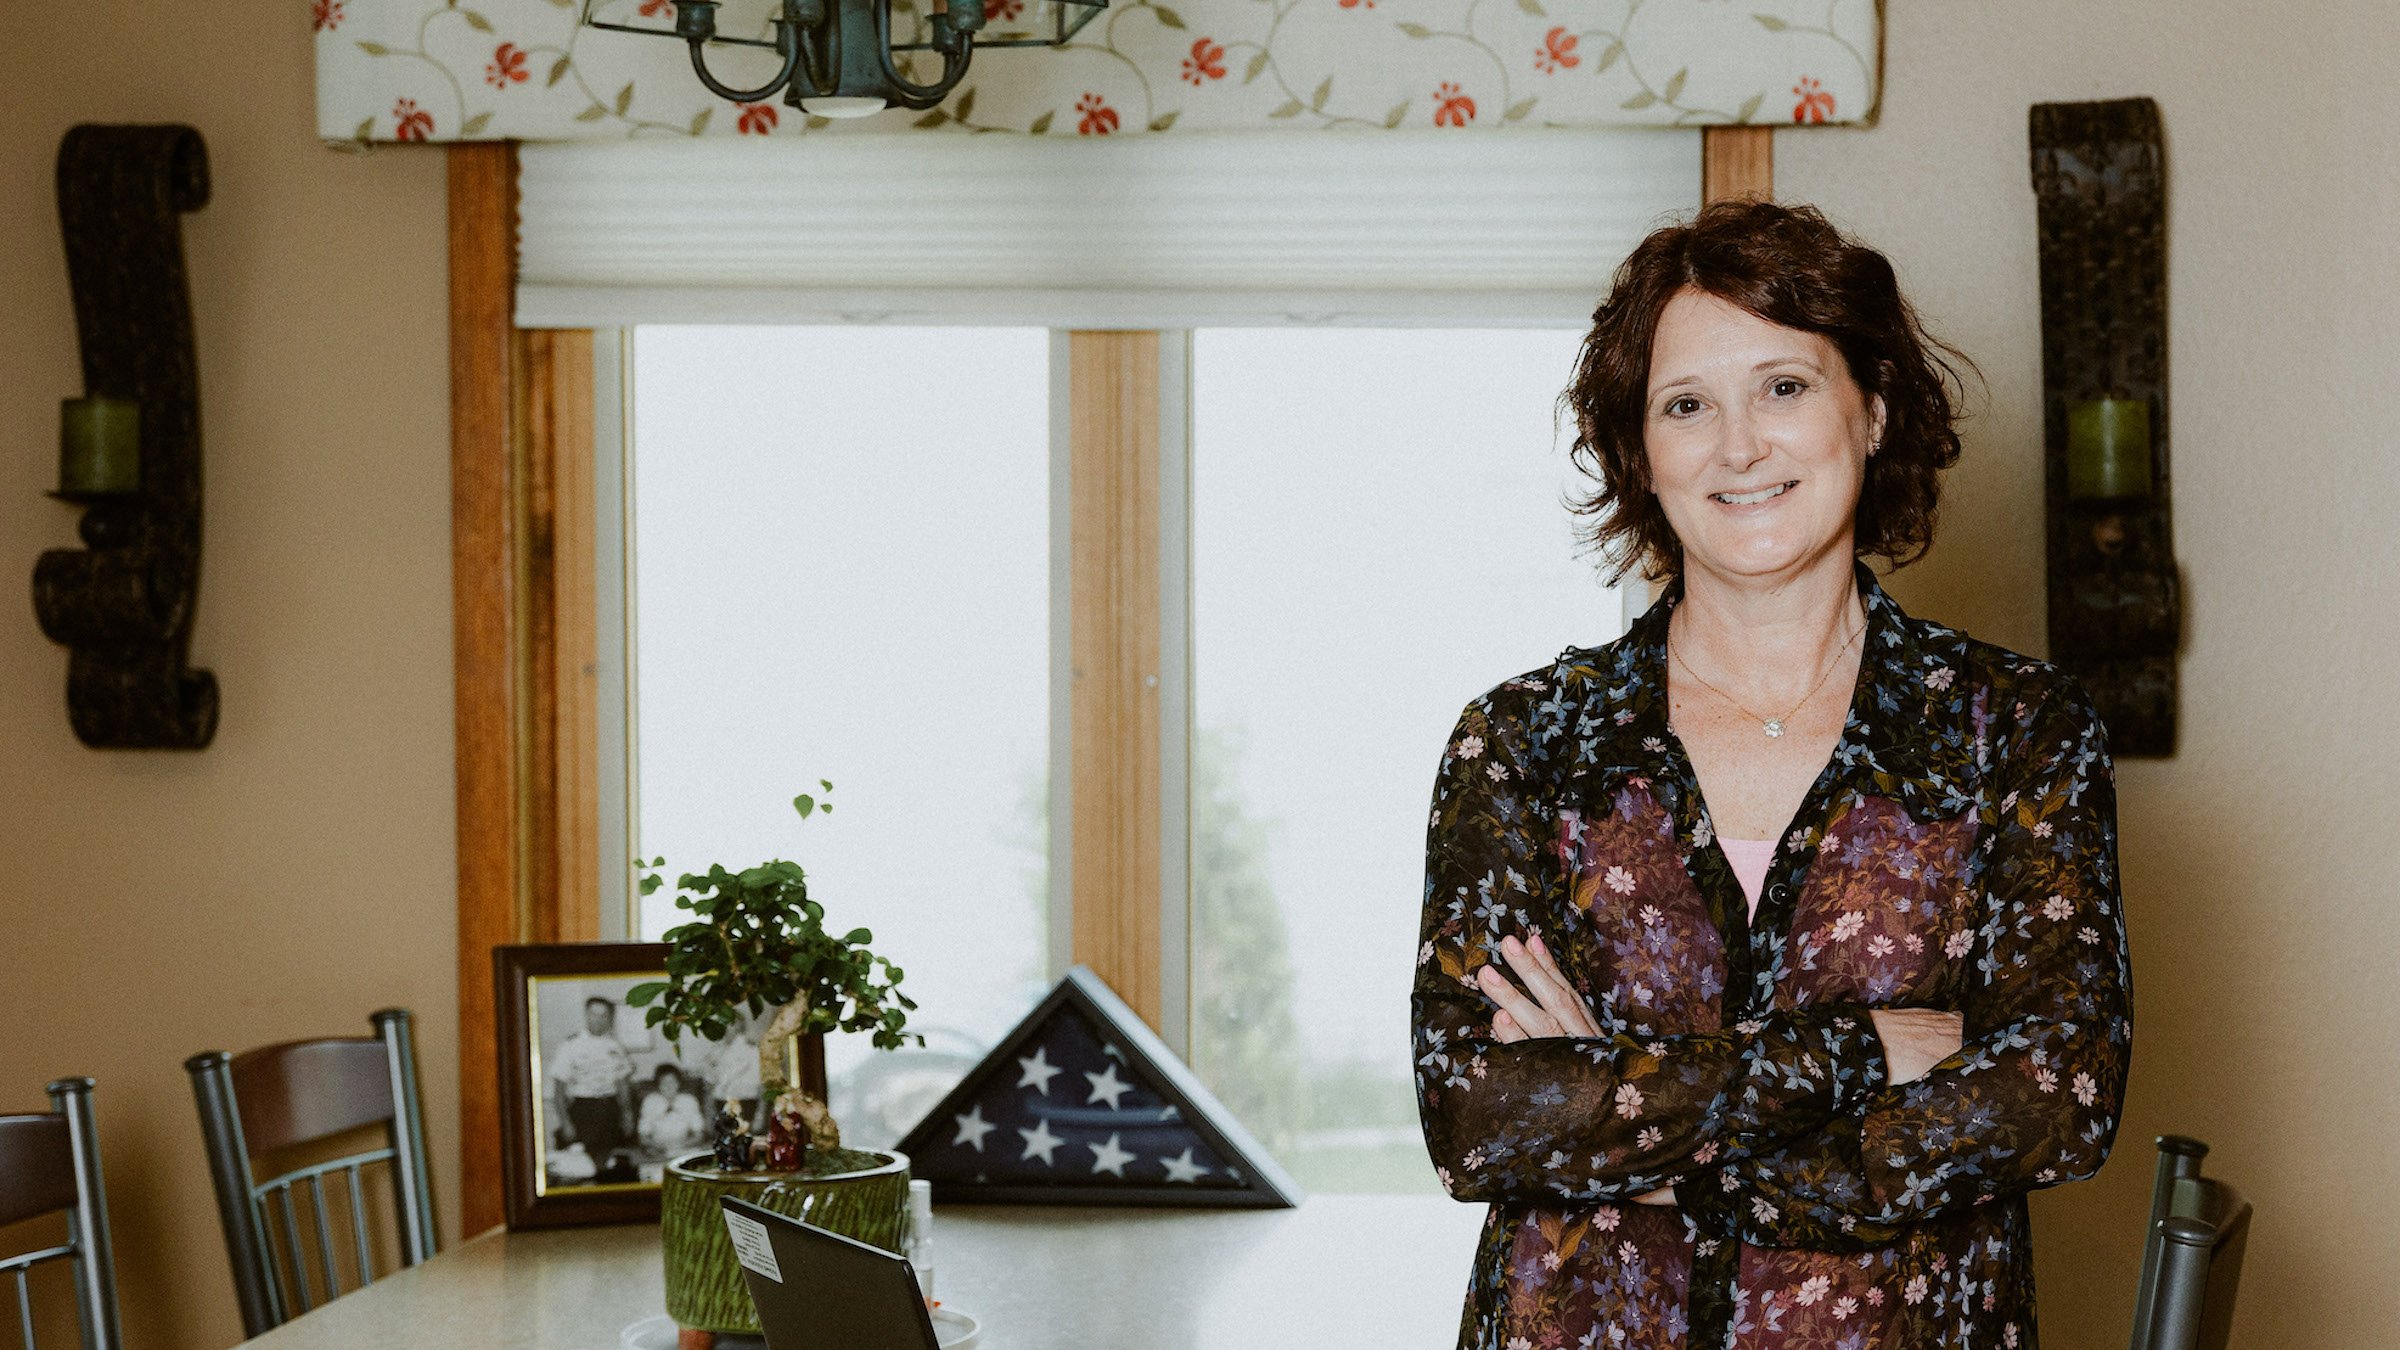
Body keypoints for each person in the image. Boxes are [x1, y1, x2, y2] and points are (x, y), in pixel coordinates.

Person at [1411, 200, 2130, 1350]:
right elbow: (1480, 1118)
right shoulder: (1526, 744)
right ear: (1642, 453)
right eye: (1686, 405)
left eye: (1784, 387)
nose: (1738, 445)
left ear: (1875, 407)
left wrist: (1629, 1128)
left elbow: (2054, 1101)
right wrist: (1865, 1052)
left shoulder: (2017, 734)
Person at [549, 995, 636, 1180]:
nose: (599, 1019)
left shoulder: (615, 1045)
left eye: (604, 1015)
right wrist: (565, 1123)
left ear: (609, 1018)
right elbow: (558, 1092)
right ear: (586, 1015)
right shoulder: (570, 1045)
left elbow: (622, 1084)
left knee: (608, 1164)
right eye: (594, 1014)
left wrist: (627, 1114)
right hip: (582, 1111)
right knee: (581, 1166)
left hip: (610, 1108)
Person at [638, 1064, 709, 1157]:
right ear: (658, 1085)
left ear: (679, 1083)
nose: (668, 1086)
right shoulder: (650, 1101)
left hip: (685, 1147)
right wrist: (659, 1146)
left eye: (672, 1082)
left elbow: (699, 1135)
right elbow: (642, 1137)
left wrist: (681, 1145)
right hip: (657, 1150)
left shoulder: (689, 1100)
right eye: (664, 1082)